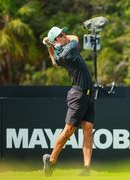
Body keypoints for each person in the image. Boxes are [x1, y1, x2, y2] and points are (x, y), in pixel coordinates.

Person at [42, 26, 95, 176]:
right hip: (78, 95)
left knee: (88, 130)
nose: (65, 35)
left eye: (64, 33)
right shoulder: (69, 50)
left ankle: (86, 169)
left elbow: (54, 62)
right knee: (68, 131)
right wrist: (51, 43)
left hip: (88, 95)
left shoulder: (60, 55)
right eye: (61, 34)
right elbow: (75, 37)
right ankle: (51, 161)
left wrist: (49, 46)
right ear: (57, 40)